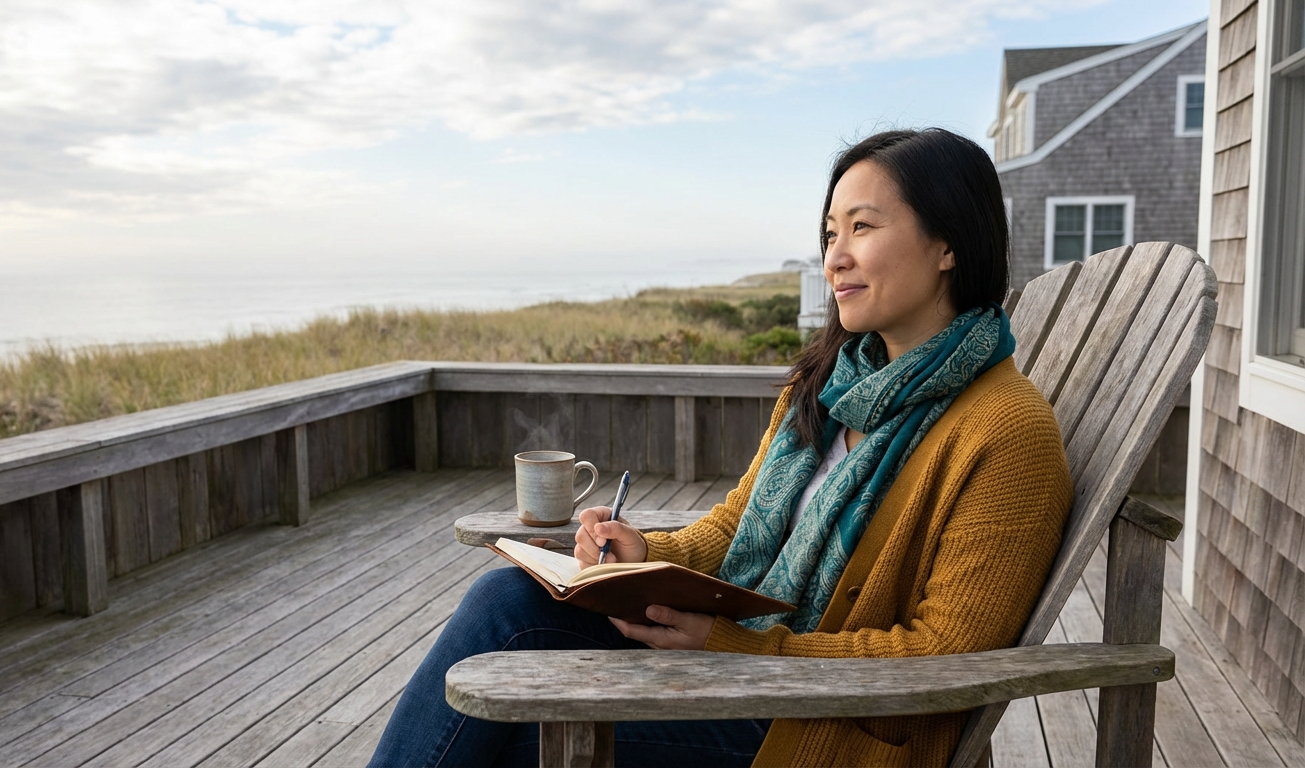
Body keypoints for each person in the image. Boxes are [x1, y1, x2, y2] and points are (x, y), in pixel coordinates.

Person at [368, 128, 1072, 768]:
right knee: (506, 596)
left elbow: (945, 655)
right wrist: (646, 556)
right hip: (738, 668)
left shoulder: (1006, 432)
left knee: (517, 739)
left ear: (949, 244)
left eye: (863, 227)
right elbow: (736, 528)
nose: (836, 257)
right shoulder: (826, 385)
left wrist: (732, 646)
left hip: (820, 721)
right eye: (830, 233)